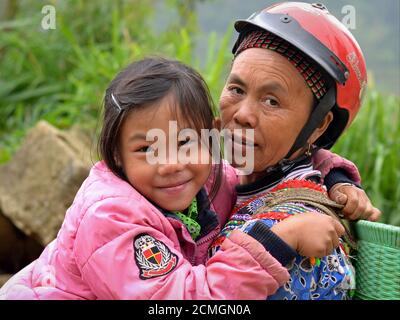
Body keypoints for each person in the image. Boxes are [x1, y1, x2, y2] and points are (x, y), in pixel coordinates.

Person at [0, 57, 350, 300]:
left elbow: (270, 165)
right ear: (117, 155)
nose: (170, 165)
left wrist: (336, 177)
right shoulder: (111, 217)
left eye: (185, 142)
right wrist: (279, 239)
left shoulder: (208, 179)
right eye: (147, 150)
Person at [210, 2, 379, 299]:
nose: (243, 114)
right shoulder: (219, 179)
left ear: (318, 126)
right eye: (237, 89)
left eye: (272, 101)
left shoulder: (301, 238)